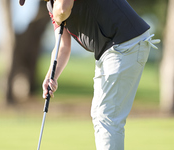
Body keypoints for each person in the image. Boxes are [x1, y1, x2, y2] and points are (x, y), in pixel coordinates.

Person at [42, 0, 160, 150]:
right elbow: (62, 47)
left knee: (106, 117)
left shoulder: (58, 7)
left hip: (125, 43)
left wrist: (57, 17)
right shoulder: (51, 5)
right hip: (110, 49)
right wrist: (51, 77)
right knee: (99, 115)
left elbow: (63, 9)